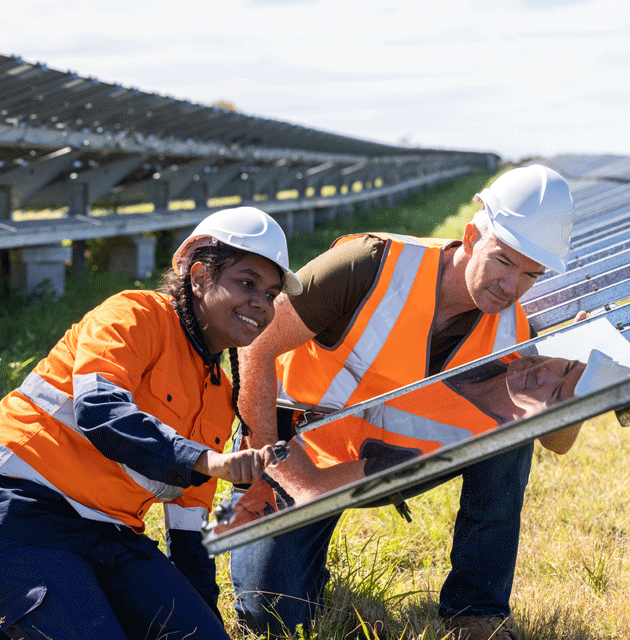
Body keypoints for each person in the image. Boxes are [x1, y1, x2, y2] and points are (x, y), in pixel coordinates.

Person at [231, 164, 577, 640]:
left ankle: (476, 611)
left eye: (529, 274)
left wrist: (579, 371)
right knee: (271, 616)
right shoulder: (367, 265)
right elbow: (256, 345)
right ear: (472, 235)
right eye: (502, 260)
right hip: (297, 449)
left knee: (511, 433)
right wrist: (271, 470)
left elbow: (557, 442)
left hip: (392, 457)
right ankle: (298, 555)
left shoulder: (517, 329)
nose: (510, 286)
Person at [0, 207, 301, 640]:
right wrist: (206, 460)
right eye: (247, 283)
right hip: (23, 511)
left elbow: (188, 533)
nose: (261, 303)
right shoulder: (133, 315)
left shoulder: (218, 396)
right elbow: (100, 410)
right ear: (198, 277)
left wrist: (207, 620)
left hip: (111, 535)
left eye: (271, 294)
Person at [212, 352, 591, 536]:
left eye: (554, 393)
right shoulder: (506, 329)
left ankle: (476, 611)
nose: (544, 373)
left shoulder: (480, 430)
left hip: (320, 471)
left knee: (274, 611)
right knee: (268, 607)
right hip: (273, 417)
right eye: (566, 366)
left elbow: (559, 442)